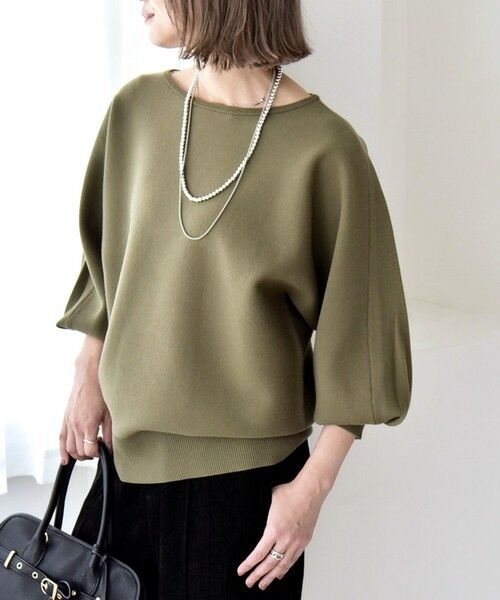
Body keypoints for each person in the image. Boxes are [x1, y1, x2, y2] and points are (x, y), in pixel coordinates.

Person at [55, 1, 413, 598]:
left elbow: (363, 338)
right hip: (123, 474)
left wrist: (311, 491)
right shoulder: (135, 112)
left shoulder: (327, 149)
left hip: (247, 499)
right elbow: (108, 262)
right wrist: (86, 369)